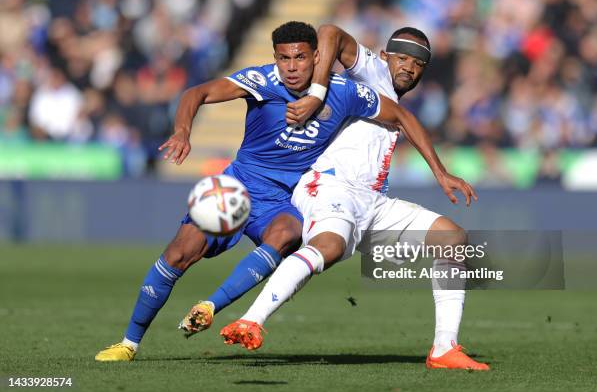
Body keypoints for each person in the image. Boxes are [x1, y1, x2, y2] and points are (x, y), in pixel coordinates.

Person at [94, 21, 433, 362]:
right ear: (275, 58)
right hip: (239, 187)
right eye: (283, 58)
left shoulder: (343, 91)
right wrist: (183, 131)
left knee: (288, 233)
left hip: (286, 198)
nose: (291, 67)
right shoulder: (263, 81)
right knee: (179, 254)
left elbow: (401, 115)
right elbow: (195, 94)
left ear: (317, 57)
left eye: (300, 57)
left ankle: (211, 306)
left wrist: (441, 171)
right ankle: (128, 344)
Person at [217, 24, 489, 370]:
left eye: (418, 64)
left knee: (452, 239)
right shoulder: (370, 71)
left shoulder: (395, 99)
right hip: (331, 187)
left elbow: (407, 120)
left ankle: (443, 348)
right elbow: (329, 32)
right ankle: (251, 320)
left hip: (372, 202)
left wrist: (441, 172)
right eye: (402, 58)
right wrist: (317, 92)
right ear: (386, 56)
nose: (408, 67)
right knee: (327, 248)